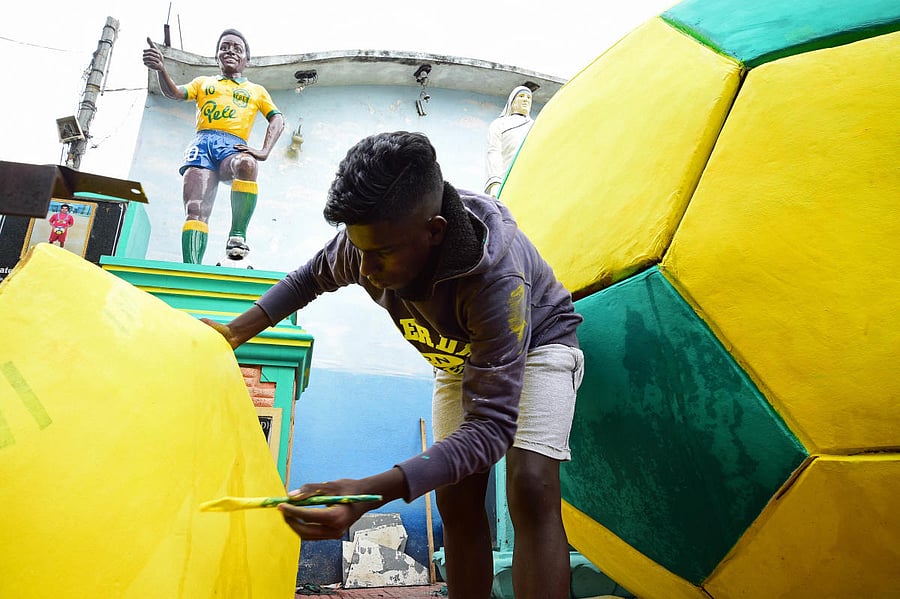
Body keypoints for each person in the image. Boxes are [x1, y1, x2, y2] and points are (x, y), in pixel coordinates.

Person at [204, 131, 583, 599]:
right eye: (358, 248)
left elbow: (490, 429)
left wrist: (370, 490)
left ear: (435, 231)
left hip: (536, 345)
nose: (363, 269)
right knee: (456, 495)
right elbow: (308, 278)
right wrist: (235, 332)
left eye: (380, 254)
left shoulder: (495, 279)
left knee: (530, 487)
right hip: (460, 358)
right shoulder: (371, 242)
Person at [142, 29, 284, 265]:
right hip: (202, 145)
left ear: (246, 60)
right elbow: (175, 93)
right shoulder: (203, 83)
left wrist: (264, 151)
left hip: (232, 146)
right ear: (217, 55)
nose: (230, 51)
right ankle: (191, 265)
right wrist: (161, 70)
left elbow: (277, 118)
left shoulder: (256, 90)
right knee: (195, 206)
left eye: (237, 49)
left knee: (247, 164)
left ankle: (237, 236)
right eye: (225, 47)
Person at [484, 85, 534, 198]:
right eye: (521, 96)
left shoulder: (535, 126)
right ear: (512, 101)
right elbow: (493, 151)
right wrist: (495, 183)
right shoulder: (499, 124)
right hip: (506, 177)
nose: (526, 100)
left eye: (528, 97)